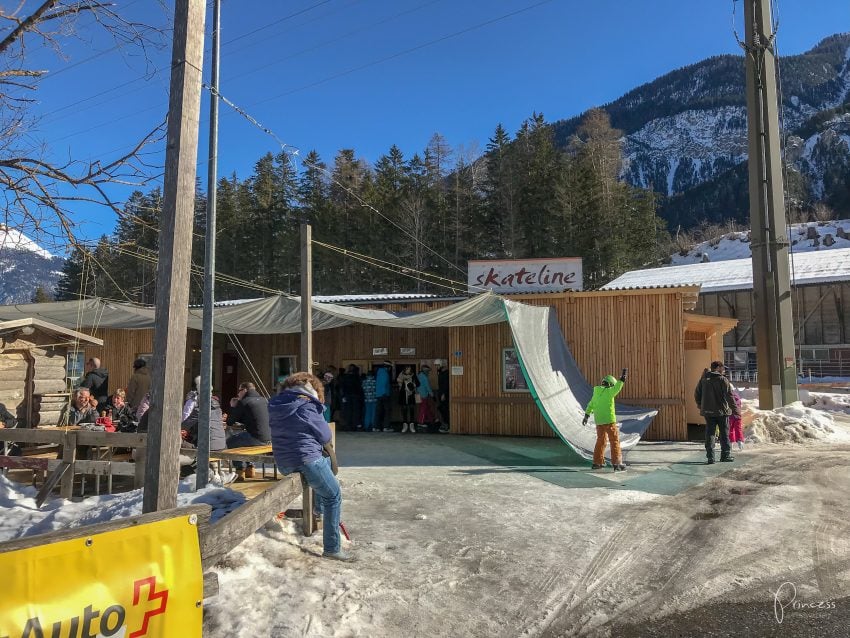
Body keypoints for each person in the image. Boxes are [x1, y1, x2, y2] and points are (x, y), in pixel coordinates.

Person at [269, 372, 352, 562]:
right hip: (307, 459)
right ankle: (332, 547)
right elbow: (325, 436)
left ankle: (318, 510)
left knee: (322, 476)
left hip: (283, 461)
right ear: (313, 389)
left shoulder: (276, 404)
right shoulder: (306, 406)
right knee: (333, 495)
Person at [582, 368, 628, 471]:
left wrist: (586, 415)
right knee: (614, 441)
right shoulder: (609, 392)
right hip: (609, 421)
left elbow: (590, 405)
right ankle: (617, 463)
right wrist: (623, 378)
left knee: (600, 441)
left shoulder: (596, 393)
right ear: (610, 384)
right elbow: (618, 387)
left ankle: (597, 463)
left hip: (599, 422)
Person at [694, 361, 740, 464]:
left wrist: (700, 405)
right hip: (721, 412)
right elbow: (729, 396)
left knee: (710, 433)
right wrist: (736, 410)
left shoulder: (704, 379)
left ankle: (710, 457)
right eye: (722, 368)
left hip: (707, 412)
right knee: (724, 434)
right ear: (718, 367)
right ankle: (725, 455)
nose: (723, 370)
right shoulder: (722, 380)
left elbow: (697, 393)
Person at [226, 381, 271, 480]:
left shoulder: (244, 402)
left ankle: (240, 470)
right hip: (270, 438)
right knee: (242, 441)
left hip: (257, 438)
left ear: (245, 390)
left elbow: (230, 421)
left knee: (230, 442)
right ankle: (250, 468)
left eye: (239, 391)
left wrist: (233, 406)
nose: (238, 393)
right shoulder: (264, 400)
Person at [338, 364, 363, 431]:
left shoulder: (345, 377)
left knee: (348, 411)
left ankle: (348, 426)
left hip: (347, 396)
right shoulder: (357, 377)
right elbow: (359, 388)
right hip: (355, 396)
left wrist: (343, 396)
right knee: (356, 411)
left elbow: (342, 387)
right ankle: (355, 425)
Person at [397, 366, 417, 433]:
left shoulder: (413, 376)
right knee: (404, 410)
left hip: (411, 395)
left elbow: (418, 383)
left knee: (411, 409)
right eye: (407, 369)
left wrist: (413, 385)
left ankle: (412, 425)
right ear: (404, 370)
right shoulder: (401, 376)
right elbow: (398, 383)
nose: (408, 371)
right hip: (403, 395)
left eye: (410, 369)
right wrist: (403, 383)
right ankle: (405, 425)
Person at [375, 361, 393, 432]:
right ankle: (386, 427)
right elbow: (384, 383)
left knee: (378, 411)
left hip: (378, 394)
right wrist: (384, 393)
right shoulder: (385, 373)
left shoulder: (378, 372)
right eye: (390, 367)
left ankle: (376, 427)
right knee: (387, 411)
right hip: (384, 395)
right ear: (387, 367)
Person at [416, 364, 435, 432]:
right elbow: (428, 387)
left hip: (418, 395)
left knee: (426, 407)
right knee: (423, 409)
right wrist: (432, 395)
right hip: (423, 395)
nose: (428, 372)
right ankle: (421, 422)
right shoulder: (424, 377)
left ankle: (431, 419)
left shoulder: (418, 376)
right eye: (428, 371)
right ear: (425, 370)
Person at [437, 363, 450, 433]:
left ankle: (446, 425)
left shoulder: (445, 374)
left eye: (438, 365)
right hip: (441, 394)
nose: (437, 367)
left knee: (444, 410)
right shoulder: (441, 373)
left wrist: (443, 394)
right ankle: (444, 424)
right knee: (441, 409)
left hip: (444, 395)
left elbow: (445, 384)